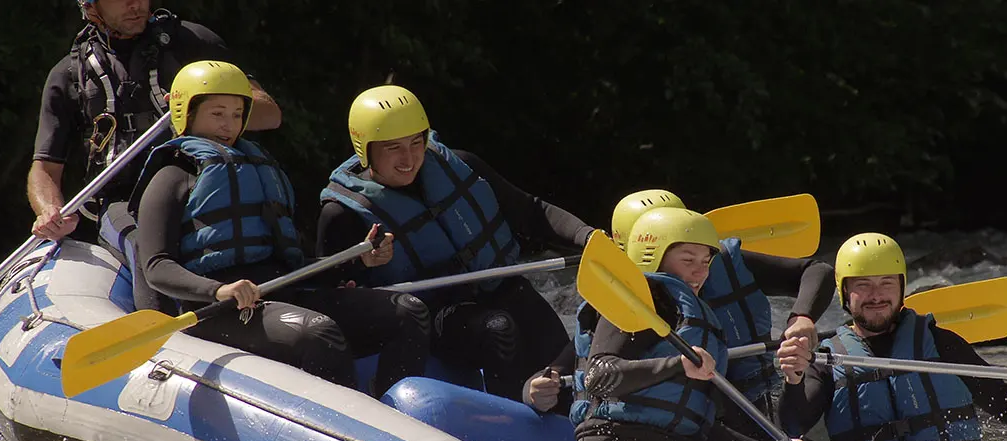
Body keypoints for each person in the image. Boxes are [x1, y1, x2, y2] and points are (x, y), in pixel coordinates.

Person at [130, 61, 430, 395]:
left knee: (407, 311)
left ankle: (395, 421)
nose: (228, 125)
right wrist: (218, 290)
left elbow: (293, 264)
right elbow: (156, 266)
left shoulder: (258, 169)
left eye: (236, 113)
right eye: (217, 114)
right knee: (318, 333)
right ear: (186, 112)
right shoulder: (170, 176)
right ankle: (340, 434)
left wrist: (359, 260)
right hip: (220, 310)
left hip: (282, 296)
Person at [317, 85, 594, 401]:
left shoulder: (461, 166)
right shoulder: (342, 213)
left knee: (560, 350)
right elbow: (327, 291)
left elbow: (530, 211)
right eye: (393, 148)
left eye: (416, 143)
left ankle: (567, 416)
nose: (409, 158)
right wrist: (362, 262)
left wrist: (586, 235)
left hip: (498, 287)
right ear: (365, 150)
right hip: (435, 316)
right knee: (498, 329)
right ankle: (511, 416)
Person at [526, 189, 836, 441]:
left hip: (764, 399)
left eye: (697, 254)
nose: (697, 268)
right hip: (701, 423)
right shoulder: (623, 297)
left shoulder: (720, 264)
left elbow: (818, 270)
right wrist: (536, 387)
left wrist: (802, 317)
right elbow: (589, 365)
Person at [29, 0, 281, 309]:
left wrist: (199, 100)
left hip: (200, 184)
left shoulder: (193, 42)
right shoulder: (69, 74)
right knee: (144, 248)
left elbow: (270, 114)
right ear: (92, 7)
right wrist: (49, 211)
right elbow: (44, 168)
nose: (135, 5)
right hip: (125, 201)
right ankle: (166, 337)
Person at [776, 232, 1007, 441]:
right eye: (863, 285)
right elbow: (791, 427)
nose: (876, 295)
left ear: (901, 289)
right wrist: (794, 376)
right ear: (845, 293)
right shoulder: (826, 359)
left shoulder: (940, 343)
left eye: (886, 283)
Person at [572, 207, 813, 441]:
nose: (701, 272)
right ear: (652, 256)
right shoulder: (635, 302)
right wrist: (676, 365)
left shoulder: (693, 318)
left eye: (706, 261)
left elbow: (702, 424)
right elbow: (598, 376)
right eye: (688, 260)